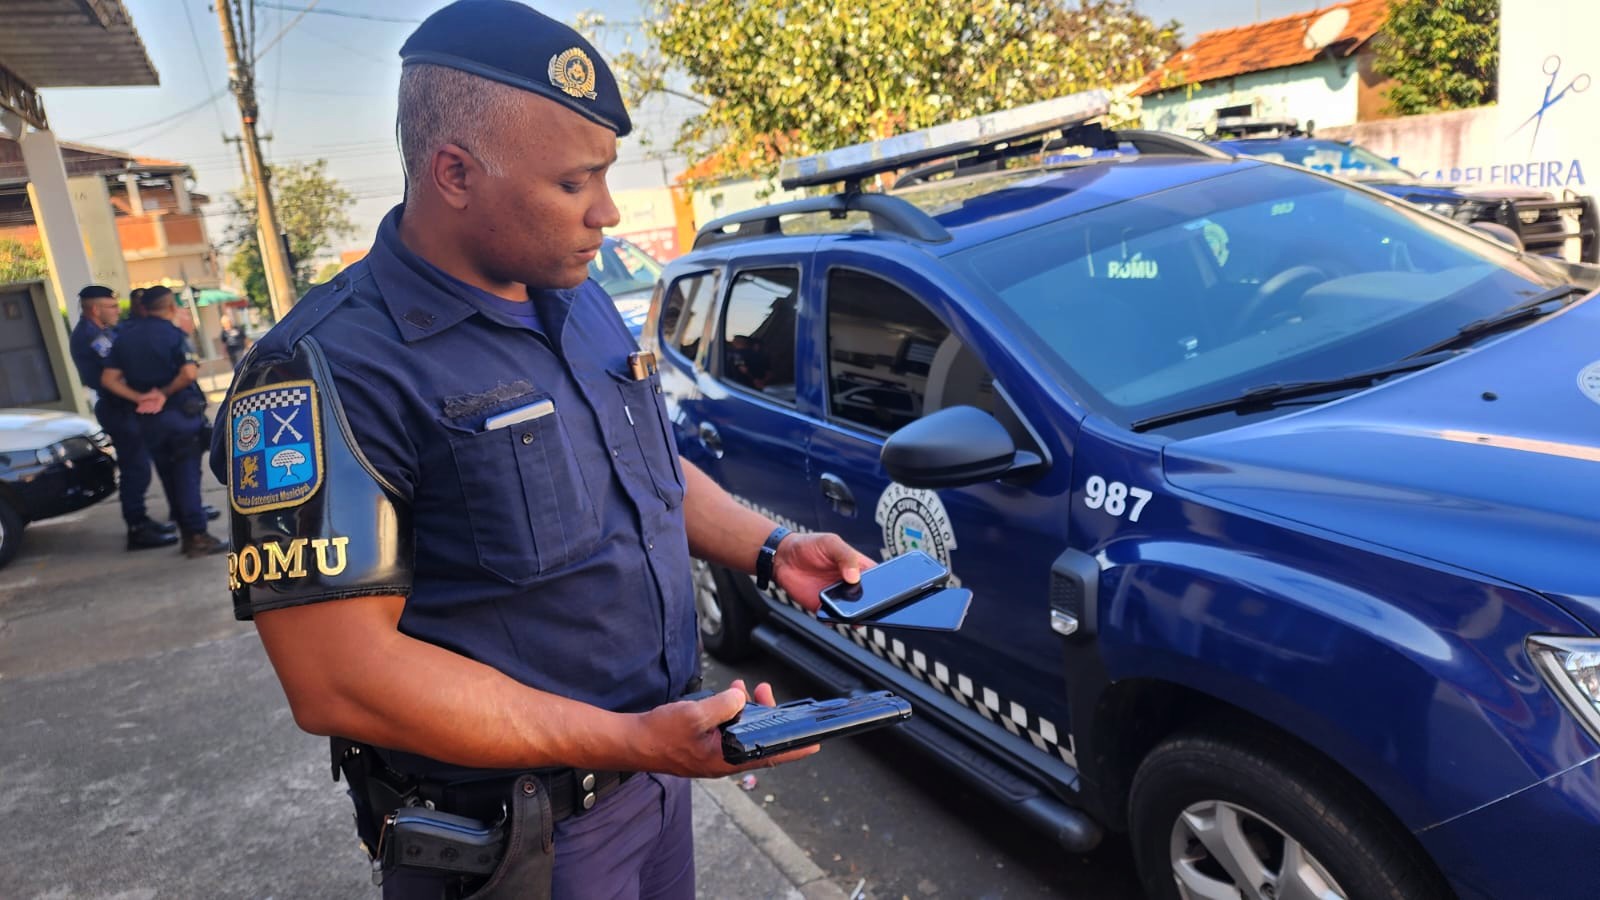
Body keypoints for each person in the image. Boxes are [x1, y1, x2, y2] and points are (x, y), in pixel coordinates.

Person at [208, 3, 874, 897]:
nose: (606, 211)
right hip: (514, 847)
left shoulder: (573, 293)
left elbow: (637, 469)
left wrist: (769, 546)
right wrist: (626, 739)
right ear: (455, 173)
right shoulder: (322, 373)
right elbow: (341, 680)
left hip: (656, 786)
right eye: (574, 183)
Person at [101, 286, 228, 558]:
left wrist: (140, 397)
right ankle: (197, 536)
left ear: (144, 307)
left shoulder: (124, 339)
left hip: (148, 421)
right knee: (187, 478)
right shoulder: (175, 335)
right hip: (180, 418)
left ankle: (187, 535)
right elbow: (188, 373)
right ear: (171, 307)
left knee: (169, 478)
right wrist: (164, 393)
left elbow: (108, 379)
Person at [66, 285, 177, 550]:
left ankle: (141, 520)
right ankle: (137, 528)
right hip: (118, 408)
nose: (118, 311)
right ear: (95, 309)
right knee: (135, 470)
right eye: (112, 307)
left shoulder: (103, 332)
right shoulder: (92, 336)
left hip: (123, 407)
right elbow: (122, 369)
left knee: (138, 467)